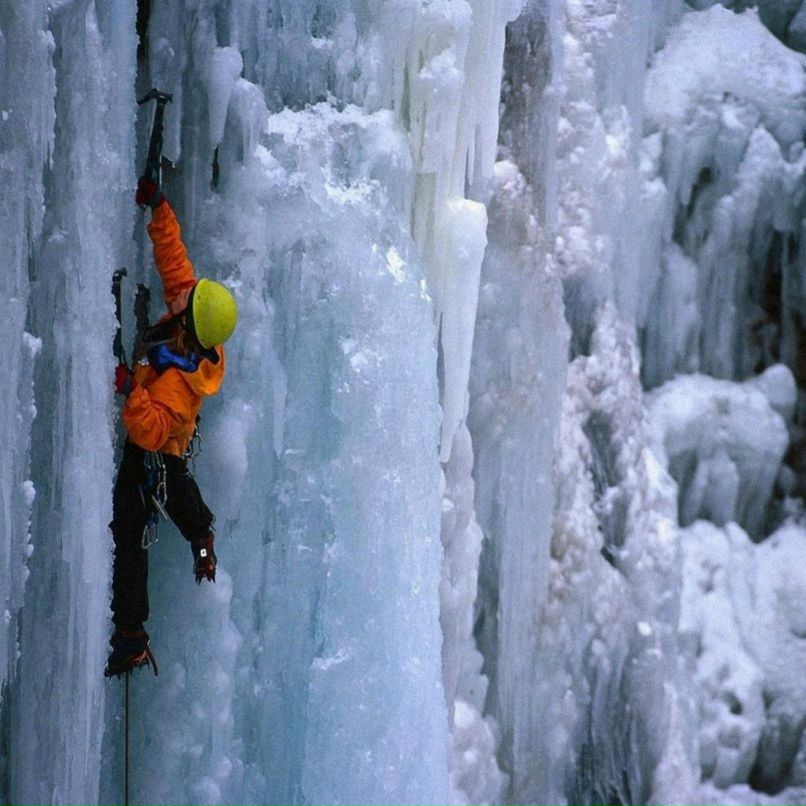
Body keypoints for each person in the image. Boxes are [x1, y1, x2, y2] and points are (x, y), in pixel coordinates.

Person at [105, 177, 238, 677]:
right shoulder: (194, 325)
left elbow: (151, 431)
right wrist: (160, 208)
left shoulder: (181, 387)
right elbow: (176, 266)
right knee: (179, 499)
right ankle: (201, 534)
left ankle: (131, 635)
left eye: (187, 304)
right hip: (163, 445)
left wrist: (130, 390)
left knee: (130, 528)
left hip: (157, 451)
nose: (180, 300)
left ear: (190, 329)